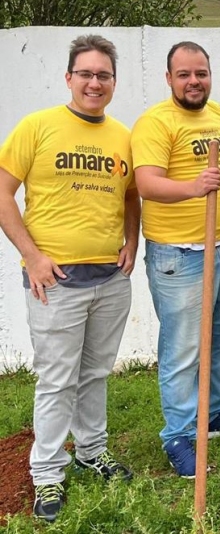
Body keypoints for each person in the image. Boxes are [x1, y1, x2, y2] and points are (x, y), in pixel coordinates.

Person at [0, 35, 138, 522]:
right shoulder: (38, 127)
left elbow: (130, 196)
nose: (94, 82)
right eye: (86, 74)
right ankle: (48, 475)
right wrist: (32, 256)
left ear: (113, 82)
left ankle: (91, 451)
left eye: (103, 75)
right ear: (69, 78)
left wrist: (132, 241)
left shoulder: (122, 136)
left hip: (109, 280)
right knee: (57, 380)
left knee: (96, 374)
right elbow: (3, 191)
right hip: (54, 282)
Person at [131, 41, 220, 478]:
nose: (193, 81)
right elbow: (147, 184)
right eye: (184, 74)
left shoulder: (219, 115)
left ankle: (212, 414)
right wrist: (193, 186)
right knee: (183, 349)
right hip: (178, 256)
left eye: (200, 73)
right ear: (169, 78)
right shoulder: (155, 123)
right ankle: (178, 434)